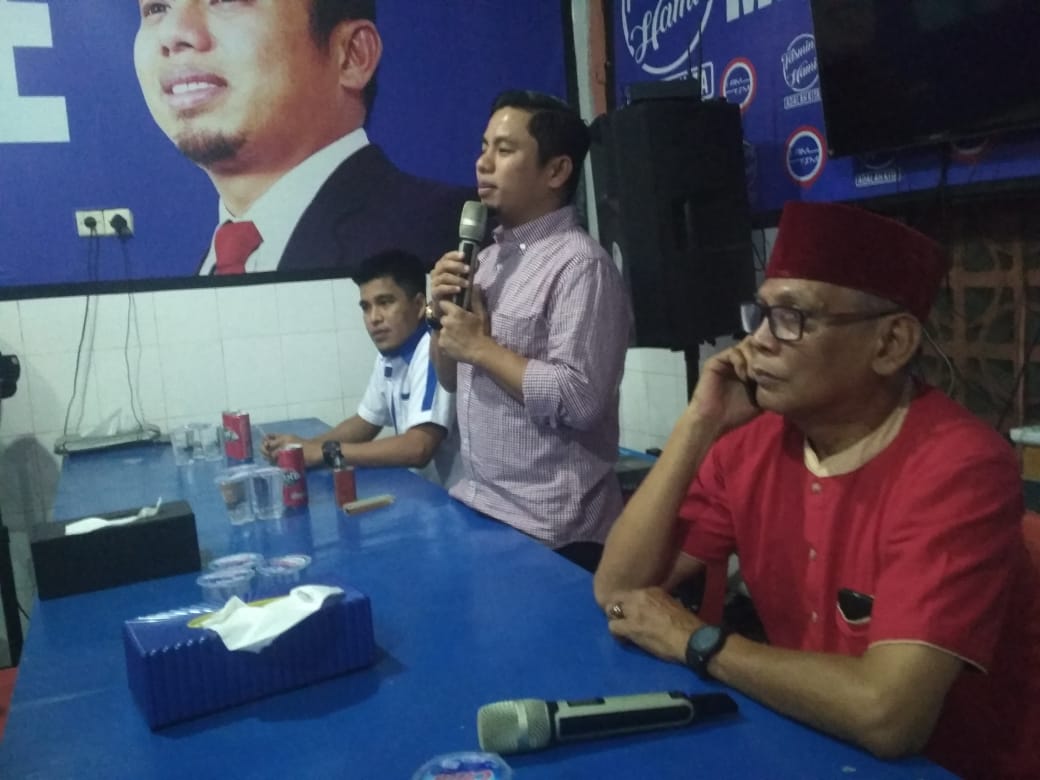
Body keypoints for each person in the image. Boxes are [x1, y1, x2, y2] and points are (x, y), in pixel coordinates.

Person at [593, 201, 1040, 779]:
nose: (758, 341)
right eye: (762, 314)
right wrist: (697, 425)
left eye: (793, 317)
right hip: (806, 739)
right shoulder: (750, 443)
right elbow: (619, 589)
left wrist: (699, 642)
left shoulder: (960, 466)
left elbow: (889, 716)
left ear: (891, 343)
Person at [428, 90, 631, 572]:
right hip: (481, 505)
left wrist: (480, 347)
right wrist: (442, 318)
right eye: (484, 147)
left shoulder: (580, 266)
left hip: (552, 531)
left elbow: (580, 400)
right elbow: (451, 379)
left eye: (504, 150)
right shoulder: (485, 259)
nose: (483, 163)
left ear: (556, 171)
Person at [133, 0, 470, 275]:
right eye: (156, 8)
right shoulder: (214, 263)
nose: (173, 34)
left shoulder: (452, 236)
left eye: (225, 1)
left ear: (352, 55)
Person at [261, 250, 458, 486]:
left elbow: (418, 448)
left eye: (385, 303)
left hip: (454, 500)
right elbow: (366, 422)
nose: (374, 318)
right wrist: (303, 447)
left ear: (418, 305)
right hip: (423, 493)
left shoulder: (433, 349)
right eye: (366, 307)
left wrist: (325, 452)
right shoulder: (391, 354)